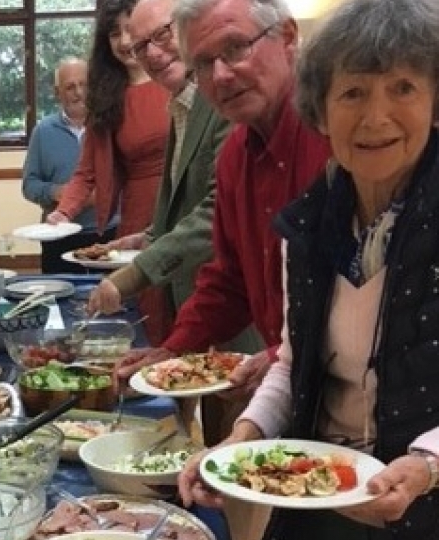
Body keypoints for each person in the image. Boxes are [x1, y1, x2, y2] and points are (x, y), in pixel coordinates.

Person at [179, 0, 439, 538]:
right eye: (352, 92)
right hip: (322, 500)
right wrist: (240, 440)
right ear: (319, 112)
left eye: (403, 88)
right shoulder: (307, 224)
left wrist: (426, 465)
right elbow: (293, 366)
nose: (375, 117)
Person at [115, 0, 331, 537]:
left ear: (285, 38)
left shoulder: (336, 138)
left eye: (234, 49)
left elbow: (357, 293)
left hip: (349, 400)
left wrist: (280, 355)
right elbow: (227, 279)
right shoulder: (235, 153)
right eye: (204, 63)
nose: (221, 75)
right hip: (288, 391)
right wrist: (172, 347)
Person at [89, 0, 263, 444]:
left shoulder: (221, 102)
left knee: (238, 442)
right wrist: (148, 235)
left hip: (239, 317)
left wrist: (131, 274)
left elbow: (214, 213)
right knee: (209, 433)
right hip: (203, 303)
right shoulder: (182, 104)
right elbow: (187, 206)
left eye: (162, 36)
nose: (151, 52)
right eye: (141, 45)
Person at [47, 0, 171, 344]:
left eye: (130, 29)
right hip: (139, 218)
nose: (124, 41)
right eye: (114, 33)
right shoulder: (106, 97)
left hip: (190, 210)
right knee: (151, 324)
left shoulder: (177, 76)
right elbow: (86, 172)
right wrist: (62, 212)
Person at [22, 57, 117, 274]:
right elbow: (29, 185)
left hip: (108, 235)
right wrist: (57, 192)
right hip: (58, 236)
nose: (78, 92)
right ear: (57, 93)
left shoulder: (110, 127)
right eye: (70, 86)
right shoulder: (43, 132)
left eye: (84, 84)